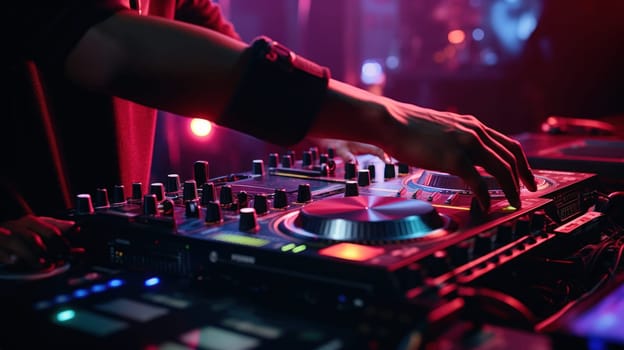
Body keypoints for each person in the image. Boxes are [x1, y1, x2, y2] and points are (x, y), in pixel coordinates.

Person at [2, 0, 536, 269]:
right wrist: (386, 119)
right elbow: (107, 43)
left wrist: (328, 129)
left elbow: (213, 46)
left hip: (91, 248)